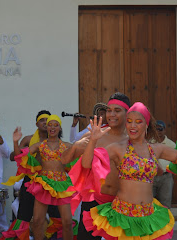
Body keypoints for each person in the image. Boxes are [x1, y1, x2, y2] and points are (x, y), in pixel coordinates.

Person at [81, 102, 177, 239]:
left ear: (146, 125)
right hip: (123, 217)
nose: (132, 126)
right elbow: (86, 164)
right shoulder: (117, 148)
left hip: (148, 217)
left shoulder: (157, 149)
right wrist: (93, 140)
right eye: (129, 121)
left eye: (138, 122)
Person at [62, 92, 131, 240]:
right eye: (109, 110)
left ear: (127, 113)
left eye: (117, 111)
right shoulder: (95, 135)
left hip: (121, 204)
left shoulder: (133, 139)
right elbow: (64, 160)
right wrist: (75, 146)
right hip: (94, 202)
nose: (111, 114)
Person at [13, 115, 76, 240]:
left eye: (55, 125)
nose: (52, 127)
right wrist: (15, 142)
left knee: (67, 222)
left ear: (59, 127)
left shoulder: (67, 145)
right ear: (46, 128)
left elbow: (82, 158)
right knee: (37, 221)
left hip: (61, 184)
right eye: (50, 125)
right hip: (44, 184)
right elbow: (20, 156)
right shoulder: (40, 145)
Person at [3, 110, 63, 240]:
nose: (45, 122)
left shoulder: (56, 141)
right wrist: (15, 143)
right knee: (24, 214)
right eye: (42, 120)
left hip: (50, 182)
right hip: (31, 180)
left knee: (56, 214)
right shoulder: (28, 139)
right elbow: (15, 157)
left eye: (48, 120)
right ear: (37, 124)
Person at [152, 120, 176, 208]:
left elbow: (176, 161)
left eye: (160, 129)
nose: (158, 131)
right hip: (151, 176)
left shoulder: (171, 144)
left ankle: (167, 221)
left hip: (166, 177)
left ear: (165, 130)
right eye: (156, 129)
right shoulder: (149, 142)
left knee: (165, 202)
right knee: (149, 202)